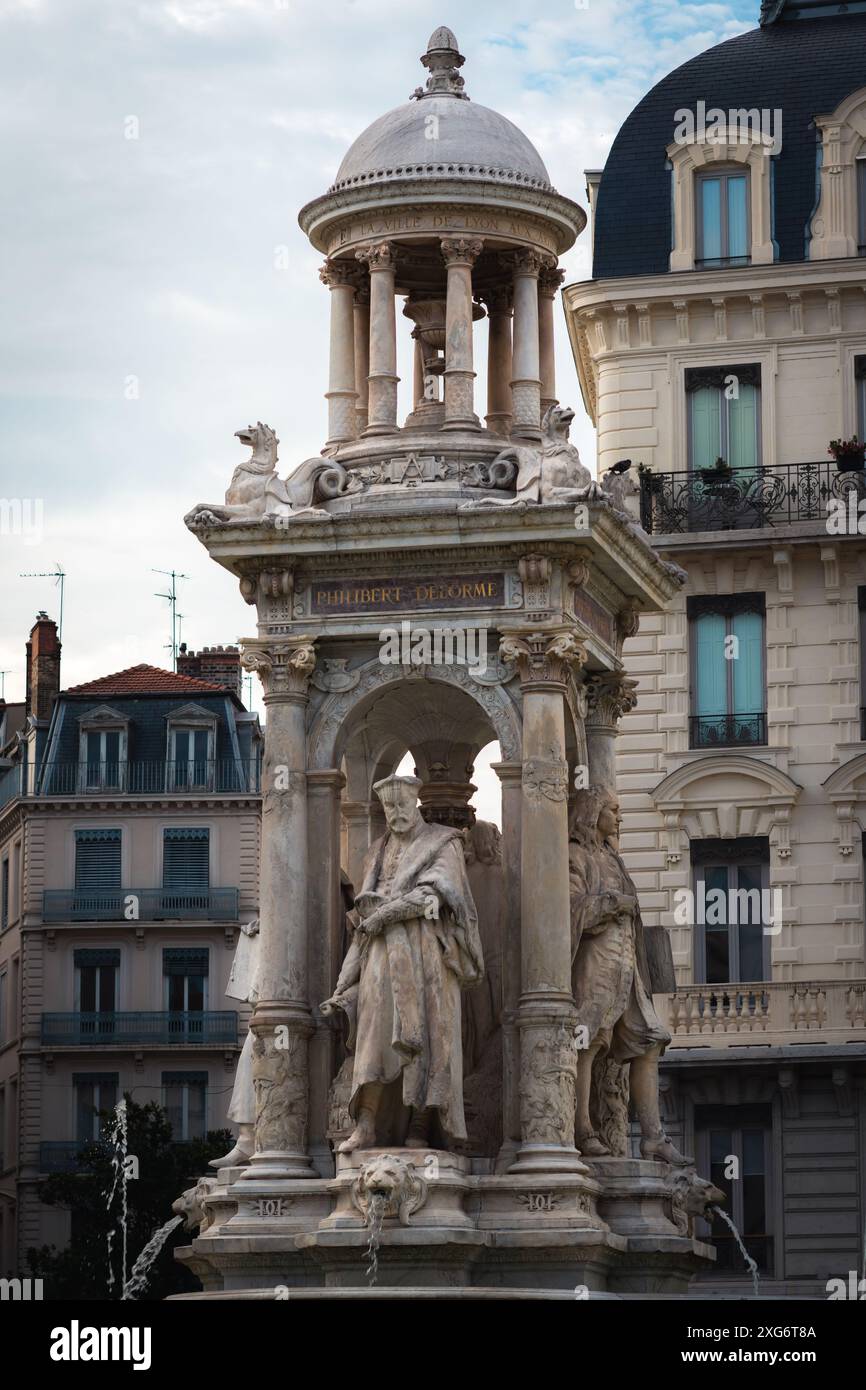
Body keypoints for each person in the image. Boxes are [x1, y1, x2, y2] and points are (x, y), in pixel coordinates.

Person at [321, 775, 483, 1153]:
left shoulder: (443, 842)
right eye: (389, 807)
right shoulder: (377, 850)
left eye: (401, 805)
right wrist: (343, 988)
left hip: (430, 955)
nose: (395, 813)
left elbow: (438, 895)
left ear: (417, 804)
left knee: (430, 1041)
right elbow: (363, 922)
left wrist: (385, 915)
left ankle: (421, 1128)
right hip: (380, 954)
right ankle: (366, 1124)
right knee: (373, 1038)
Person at [568, 785, 691, 1165]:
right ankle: (581, 1129)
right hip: (597, 963)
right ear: (593, 814)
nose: (619, 817)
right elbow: (567, 911)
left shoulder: (612, 858)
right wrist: (609, 904)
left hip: (626, 965)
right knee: (587, 1041)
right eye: (613, 810)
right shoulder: (576, 856)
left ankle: (653, 1137)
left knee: (650, 1039)